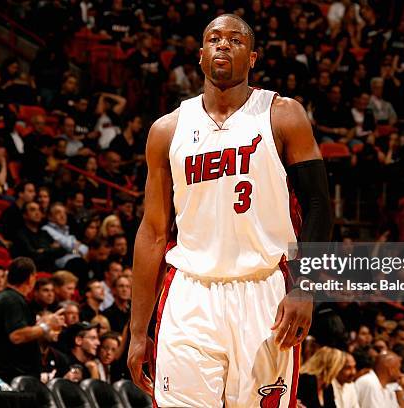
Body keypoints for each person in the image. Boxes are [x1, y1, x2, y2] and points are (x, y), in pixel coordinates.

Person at [127, 14, 332, 407]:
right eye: (214, 39)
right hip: (190, 292)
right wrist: (138, 331)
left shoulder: (282, 114)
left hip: (264, 291)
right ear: (201, 55)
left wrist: (306, 287)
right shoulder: (167, 131)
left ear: (252, 57)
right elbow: (153, 232)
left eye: (235, 40)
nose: (223, 44)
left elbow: (319, 206)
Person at [0, 257, 65, 383]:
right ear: (30, 278)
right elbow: (17, 336)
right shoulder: (12, 300)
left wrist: (42, 323)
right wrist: (46, 326)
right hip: (14, 378)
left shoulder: (7, 298)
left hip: (15, 376)